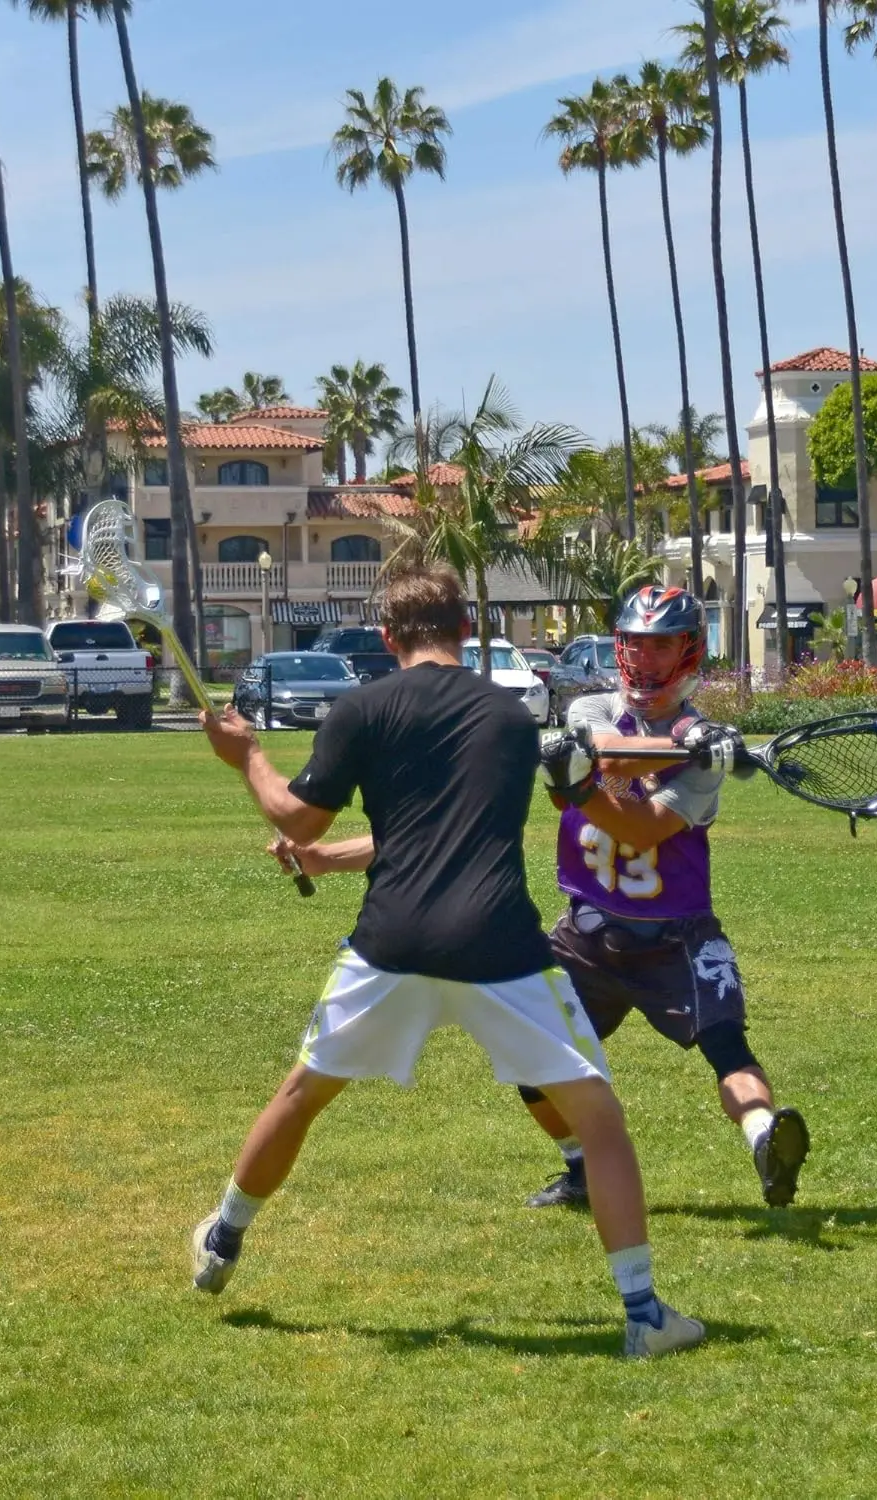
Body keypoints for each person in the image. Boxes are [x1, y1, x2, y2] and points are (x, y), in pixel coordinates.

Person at [193, 565, 703, 1359]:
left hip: (389, 944)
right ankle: (642, 1315)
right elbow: (597, 816)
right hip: (498, 945)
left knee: (301, 1093)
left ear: (389, 638)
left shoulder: (361, 708)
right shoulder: (507, 714)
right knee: (598, 1120)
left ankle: (223, 1237)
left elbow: (295, 815)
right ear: (464, 632)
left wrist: (246, 756)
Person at [525, 585, 810, 1211]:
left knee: (728, 1048)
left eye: (661, 645)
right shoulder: (591, 709)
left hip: (675, 935)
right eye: (636, 642)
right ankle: (580, 1170)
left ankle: (766, 1139)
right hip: (587, 934)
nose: (645, 657)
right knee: (531, 1058)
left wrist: (703, 747)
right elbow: (601, 757)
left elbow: (645, 827)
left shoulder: (709, 745)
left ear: (688, 650)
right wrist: (685, 749)